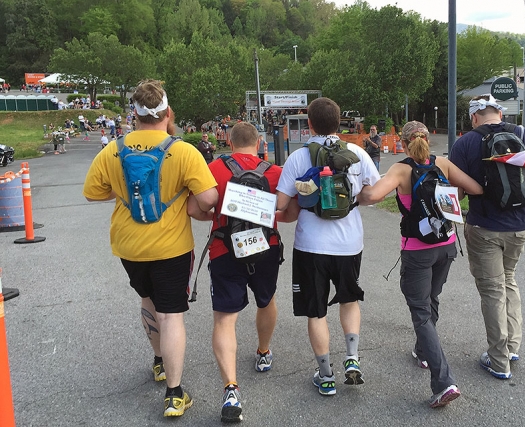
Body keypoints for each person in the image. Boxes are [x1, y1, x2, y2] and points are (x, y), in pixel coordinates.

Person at [82, 80, 218, 417]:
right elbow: (209, 200)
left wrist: (122, 191)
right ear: (168, 113)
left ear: (135, 113)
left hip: (129, 246)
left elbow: (92, 192)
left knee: (147, 299)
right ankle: (174, 393)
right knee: (172, 314)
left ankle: (159, 362)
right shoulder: (184, 150)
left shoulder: (112, 150)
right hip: (171, 246)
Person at [358, 121, 482, 408]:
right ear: (428, 140)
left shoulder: (401, 170)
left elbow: (373, 196)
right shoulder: (445, 164)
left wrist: (355, 190)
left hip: (417, 250)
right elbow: (473, 188)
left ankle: (444, 382)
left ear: (402, 143)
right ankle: (423, 352)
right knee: (431, 298)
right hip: (447, 246)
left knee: (420, 312)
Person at [187, 121, 298, 423]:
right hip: (265, 248)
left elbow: (194, 209)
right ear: (260, 143)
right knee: (267, 299)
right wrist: (264, 214)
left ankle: (231, 389)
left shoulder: (214, 168)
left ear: (230, 143)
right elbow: (291, 213)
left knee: (225, 317)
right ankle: (263, 352)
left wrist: (218, 215)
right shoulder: (275, 172)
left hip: (225, 249)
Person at [449, 94, 525, 380]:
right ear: (500, 113)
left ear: (474, 117)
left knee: (492, 291)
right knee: (508, 280)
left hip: (484, 228)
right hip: (521, 226)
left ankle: (499, 361)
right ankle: (512, 347)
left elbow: (458, 195)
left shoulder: (464, 144)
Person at [275, 97, 380, 396]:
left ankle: (326, 376)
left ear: (309, 124)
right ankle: (352, 358)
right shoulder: (357, 152)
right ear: (339, 123)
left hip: (311, 246)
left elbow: (282, 203)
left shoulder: (298, 157)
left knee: (316, 310)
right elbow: (372, 194)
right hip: (349, 243)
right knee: (349, 300)